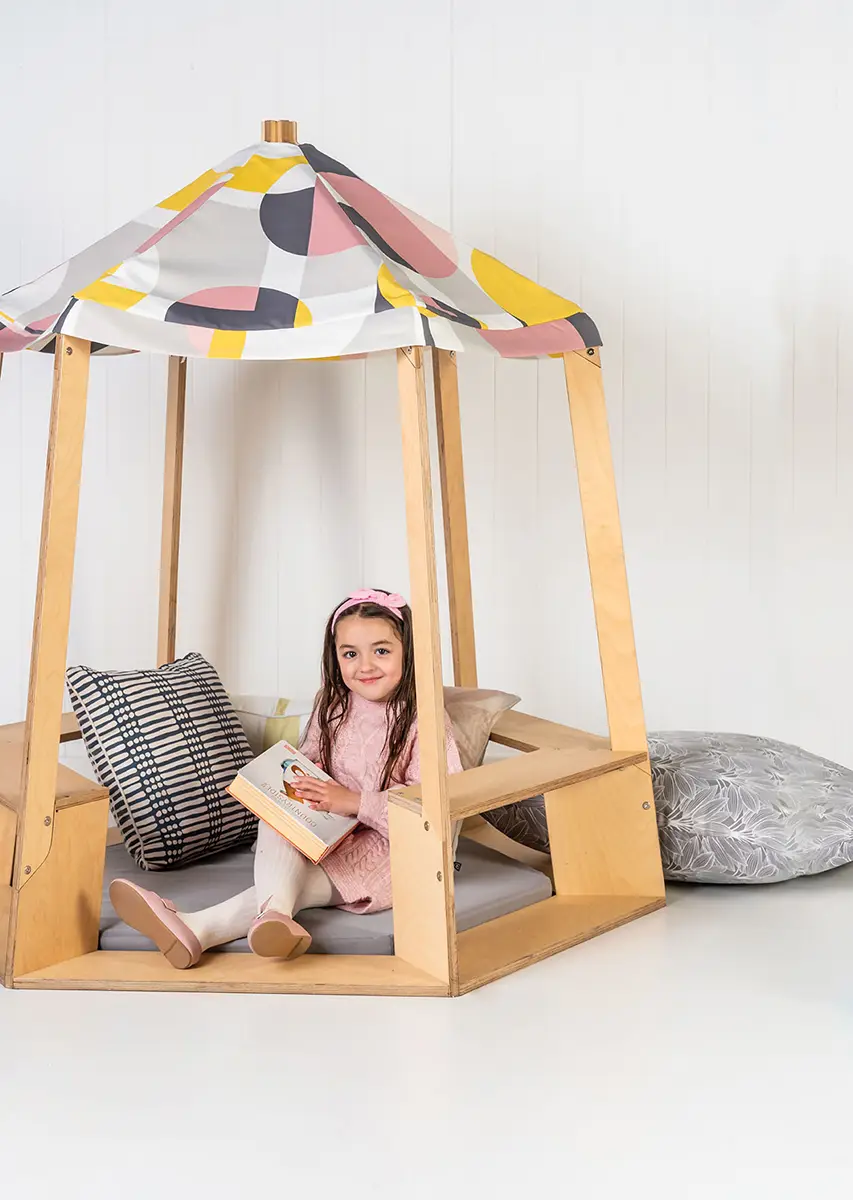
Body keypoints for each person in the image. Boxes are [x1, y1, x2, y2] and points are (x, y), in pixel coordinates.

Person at [108, 588, 463, 967]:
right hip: (326, 832)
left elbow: (435, 814)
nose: (365, 666)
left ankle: (205, 926)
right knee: (277, 814)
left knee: (299, 885)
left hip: (388, 852)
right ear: (335, 657)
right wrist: (280, 784)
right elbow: (308, 762)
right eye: (350, 653)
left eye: (381, 650)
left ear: (407, 652)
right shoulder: (332, 702)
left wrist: (352, 801)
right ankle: (259, 919)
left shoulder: (422, 719)